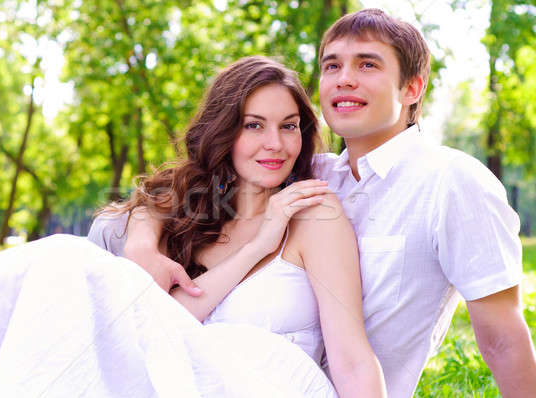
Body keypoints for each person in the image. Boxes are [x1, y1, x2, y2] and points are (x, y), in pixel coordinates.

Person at [96, 9, 536, 398]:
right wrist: (141, 243)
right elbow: (175, 189)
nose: (345, 77)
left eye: (367, 64)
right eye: (332, 65)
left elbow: (502, 339)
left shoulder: (452, 182)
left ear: (412, 89)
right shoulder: (312, 173)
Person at [88, 55, 386, 397]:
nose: (275, 143)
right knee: (56, 257)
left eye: (288, 126)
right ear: (224, 131)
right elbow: (163, 328)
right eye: (254, 125)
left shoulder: (314, 214)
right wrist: (258, 246)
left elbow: (352, 359)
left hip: (280, 387)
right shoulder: (190, 214)